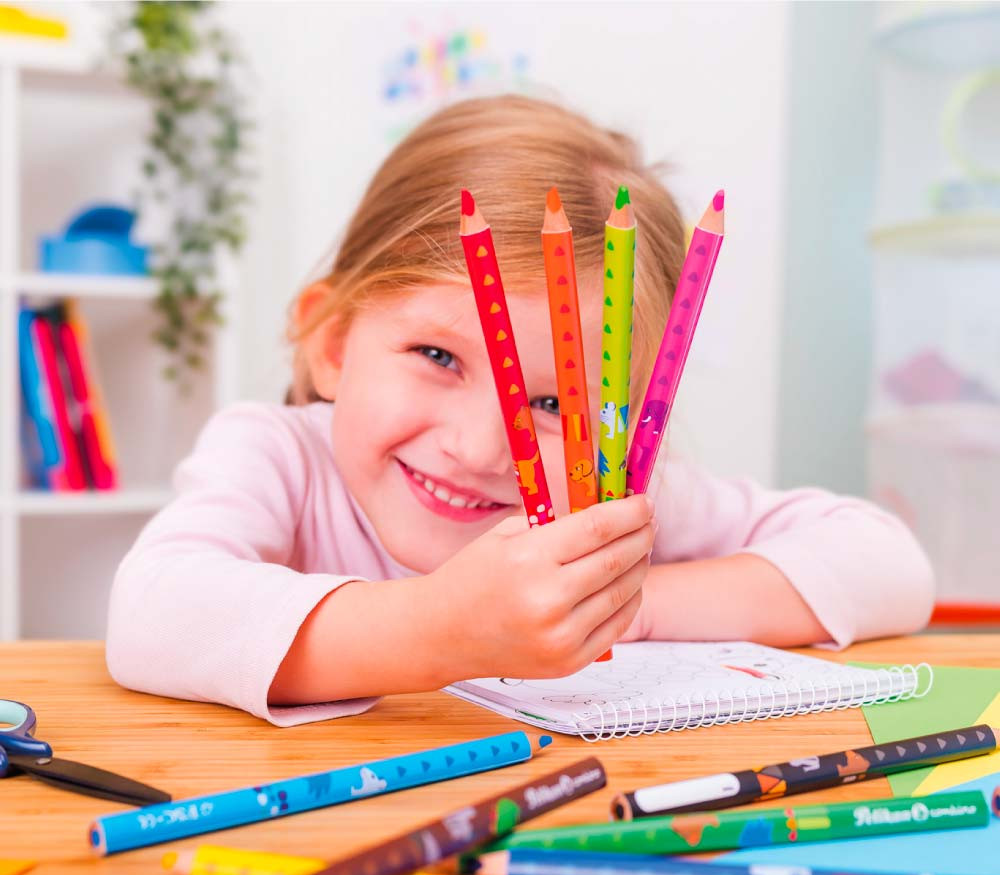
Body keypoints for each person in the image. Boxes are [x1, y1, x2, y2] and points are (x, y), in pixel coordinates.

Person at [106, 96, 934, 726]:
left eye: (552, 402)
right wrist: (440, 630)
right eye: (437, 357)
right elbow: (151, 613)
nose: (478, 448)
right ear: (329, 341)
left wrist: (627, 605)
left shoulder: (609, 503)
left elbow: (891, 566)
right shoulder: (277, 456)